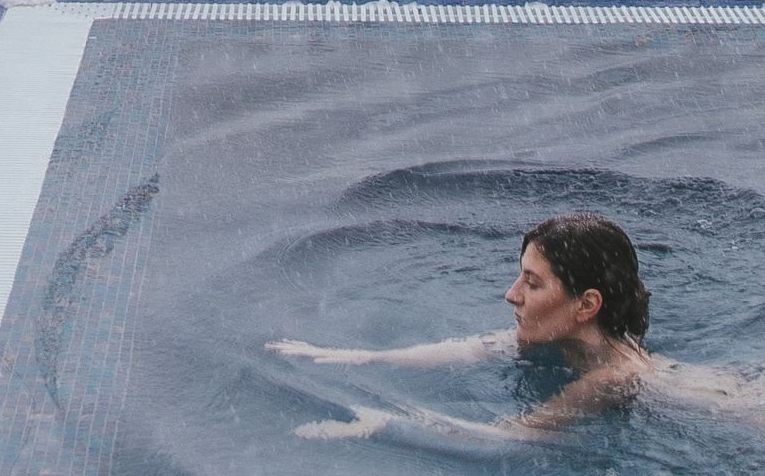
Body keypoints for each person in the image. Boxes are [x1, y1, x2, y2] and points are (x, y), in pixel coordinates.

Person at [266, 212, 760, 441]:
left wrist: (387, 423)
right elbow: (471, 348)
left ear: (587, 304)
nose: (511, 295)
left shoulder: (616, 376)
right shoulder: (568, 337)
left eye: (532, 283)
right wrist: (361, 359)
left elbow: (515, 435)